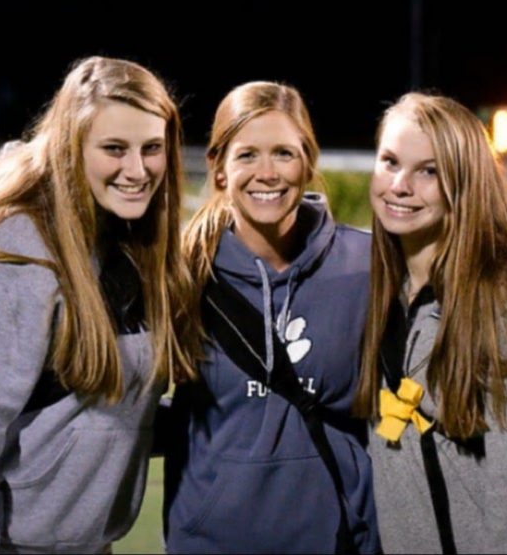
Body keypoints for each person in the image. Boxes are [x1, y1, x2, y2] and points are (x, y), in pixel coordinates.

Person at [0, 56, 202, 553]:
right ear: (72, 148)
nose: (137, 170)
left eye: (152, 148)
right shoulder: (13, 249)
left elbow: (99, 409)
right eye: (114, 148)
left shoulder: (128, 241)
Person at [354, 92, 507, 553]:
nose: (400, 185)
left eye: (429, 171)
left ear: (466, 182)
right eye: (390, 161)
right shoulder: (384, 288)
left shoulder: (503, 304)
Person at [163, 81, 381, 554]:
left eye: (283, 153)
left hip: (338, 539)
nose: (267, 173)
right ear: (218, 169)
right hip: (212, 542)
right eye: (247, 156)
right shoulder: (182, 272)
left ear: (307, 161)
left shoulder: (367, 264)